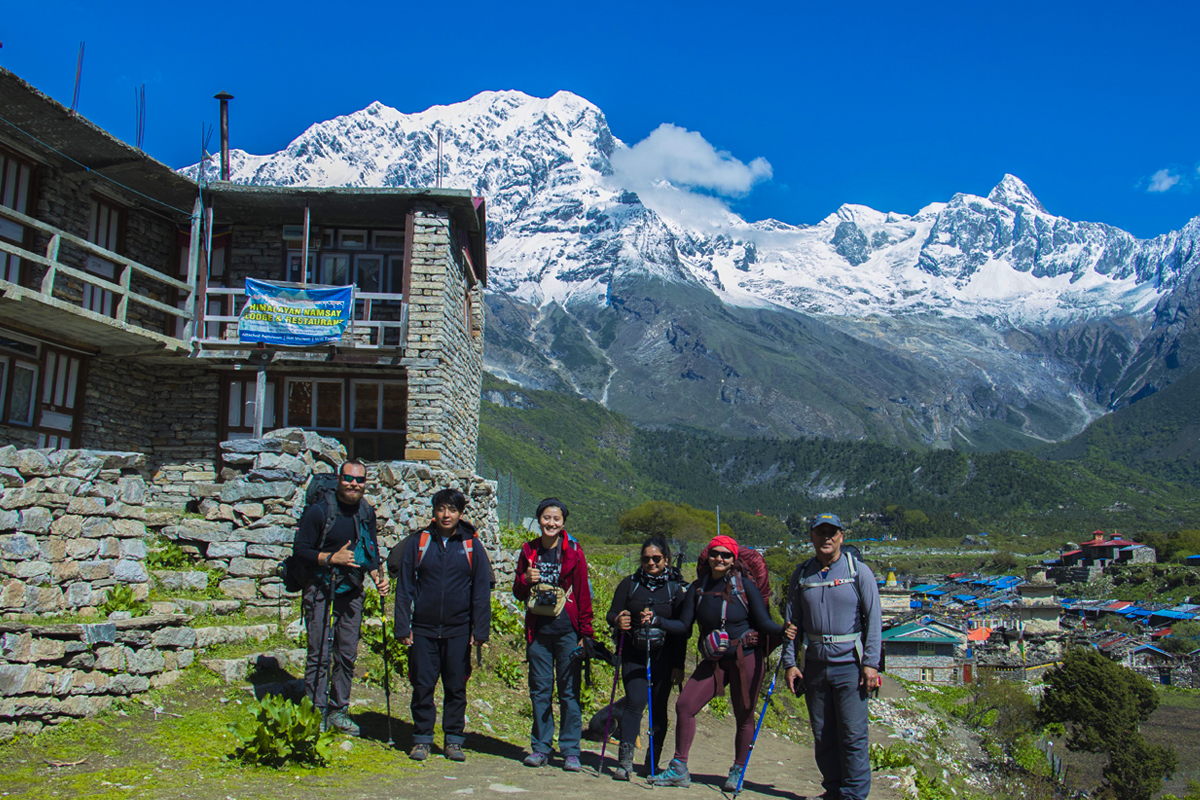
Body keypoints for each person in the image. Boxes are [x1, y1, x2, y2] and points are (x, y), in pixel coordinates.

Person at [653, 535, 795, 790]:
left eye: (726, 555)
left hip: (746, 657)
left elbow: (763, 622)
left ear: (733, 559)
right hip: (715, 659)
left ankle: (737, 772)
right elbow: (684, 625)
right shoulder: (698, 589)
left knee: (744, 715)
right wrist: (657, 621)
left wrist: (781, 631)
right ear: (708, 556)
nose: (720, 559)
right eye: (715, 554)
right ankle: (679, 768)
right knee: (685, 705)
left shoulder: (744, 586)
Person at [781, 513, 882, 800]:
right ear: (811, 536)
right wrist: (790, 664)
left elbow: (874, 620)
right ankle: (834, 790)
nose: (827, 537)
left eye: (832, 532)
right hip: (814, 667)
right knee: (823, 734)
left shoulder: (858, 572)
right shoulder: (802, 575)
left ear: (841, 536)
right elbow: (792, 624)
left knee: (852, 734)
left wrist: (871, 664)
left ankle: (853, 795)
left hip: (850, 666)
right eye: (820, 532)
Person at [392, 488, 492, 762]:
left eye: (452, 510)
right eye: (441, 509)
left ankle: (453, 740)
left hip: (459, 630)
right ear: (434, 512)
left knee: (456, 686)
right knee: (422, 685)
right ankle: (423, 739)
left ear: (461, 514)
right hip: (422, 629)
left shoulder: (471, 546)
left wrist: (480, 630)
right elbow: (405, 587)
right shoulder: (419, 543)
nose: (446, 515)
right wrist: (402, 626)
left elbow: (481, 592)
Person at [292, 460, 388, 735]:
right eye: (348, 479)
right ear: (339, 479)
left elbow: (371, 550)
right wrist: (329, 558)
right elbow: (300, 550)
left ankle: (339, 710)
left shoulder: (365, 511)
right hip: (320, 586)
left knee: (346, 652)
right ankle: (316, 710)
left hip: (352, 589)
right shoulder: (319, 510)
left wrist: (376, 576)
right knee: (319, 652)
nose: (353, 484)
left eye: (359, 480)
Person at [512, 498, 594, 772]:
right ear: (539, 520)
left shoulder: (574, 552)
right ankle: (541, 747)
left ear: (563, 523)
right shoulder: (529, 552)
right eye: (547, 518)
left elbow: (583, 593)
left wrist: (586, 633)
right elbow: (518, 591)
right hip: (539, 633)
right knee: (540, 691)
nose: (551, 523)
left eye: (556, 519)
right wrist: (526, 579)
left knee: (569, 693)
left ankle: (571, 750)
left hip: (567, 632)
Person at [605, 536, 687, 780]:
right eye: (646, 559)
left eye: (656, 558)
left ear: (666, 560)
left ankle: (652, 763)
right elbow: (611, 613)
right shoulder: (629, 584)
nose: (650, 562)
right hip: (633, 653)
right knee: (635, 702)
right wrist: (618, 620)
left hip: (664, 657)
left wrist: (678, 665)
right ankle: (625, 763)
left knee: (659, 708)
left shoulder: (675, 589)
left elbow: (683, 629)